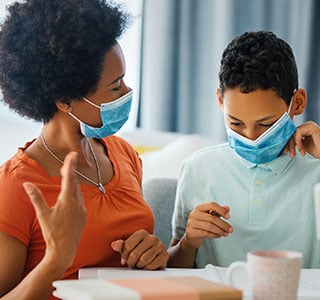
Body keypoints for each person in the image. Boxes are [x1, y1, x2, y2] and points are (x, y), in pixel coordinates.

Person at [0, 0, 168, 299]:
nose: (128, 92)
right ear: (65, 100)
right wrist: (55, 260)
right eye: (115, 87)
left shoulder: (122, 153)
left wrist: (152, 254)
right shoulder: (15, 188)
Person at [167, 31, 320, 269]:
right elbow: (172, 270)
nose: (251, 138)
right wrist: (188, 243)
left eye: (266, 124)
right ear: (220, 100)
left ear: (298, 102)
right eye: (236, 123)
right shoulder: (197, 169)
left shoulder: (316, 168)